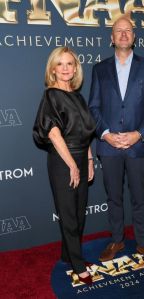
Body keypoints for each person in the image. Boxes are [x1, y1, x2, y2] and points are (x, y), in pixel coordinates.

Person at [89, 17, 144, 266]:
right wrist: (106, 134)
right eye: (118, 31)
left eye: (127, 31)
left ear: (134, 37)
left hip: (138, 146)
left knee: (140, 197)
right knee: (114, 197)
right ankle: (117, 239)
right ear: (111, 38)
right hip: (108, 146)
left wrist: (138, 134)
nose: (123, 34)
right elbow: (94, 107)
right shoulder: (99, 69)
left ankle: (143, 243)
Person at [33, 47, 96, 285]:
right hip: (62, 160)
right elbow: (54, 133)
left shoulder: (78, 96)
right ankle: (78, 266)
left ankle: (69, 255)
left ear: (76, 68)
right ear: (52, 69)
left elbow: (85, 133)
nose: (66, 68)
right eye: (60, 64)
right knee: (69, 215)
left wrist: (88, 160)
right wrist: (72, 164)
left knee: (79, 213)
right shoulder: (51, 95)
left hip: (80, 156)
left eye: (70, 63)